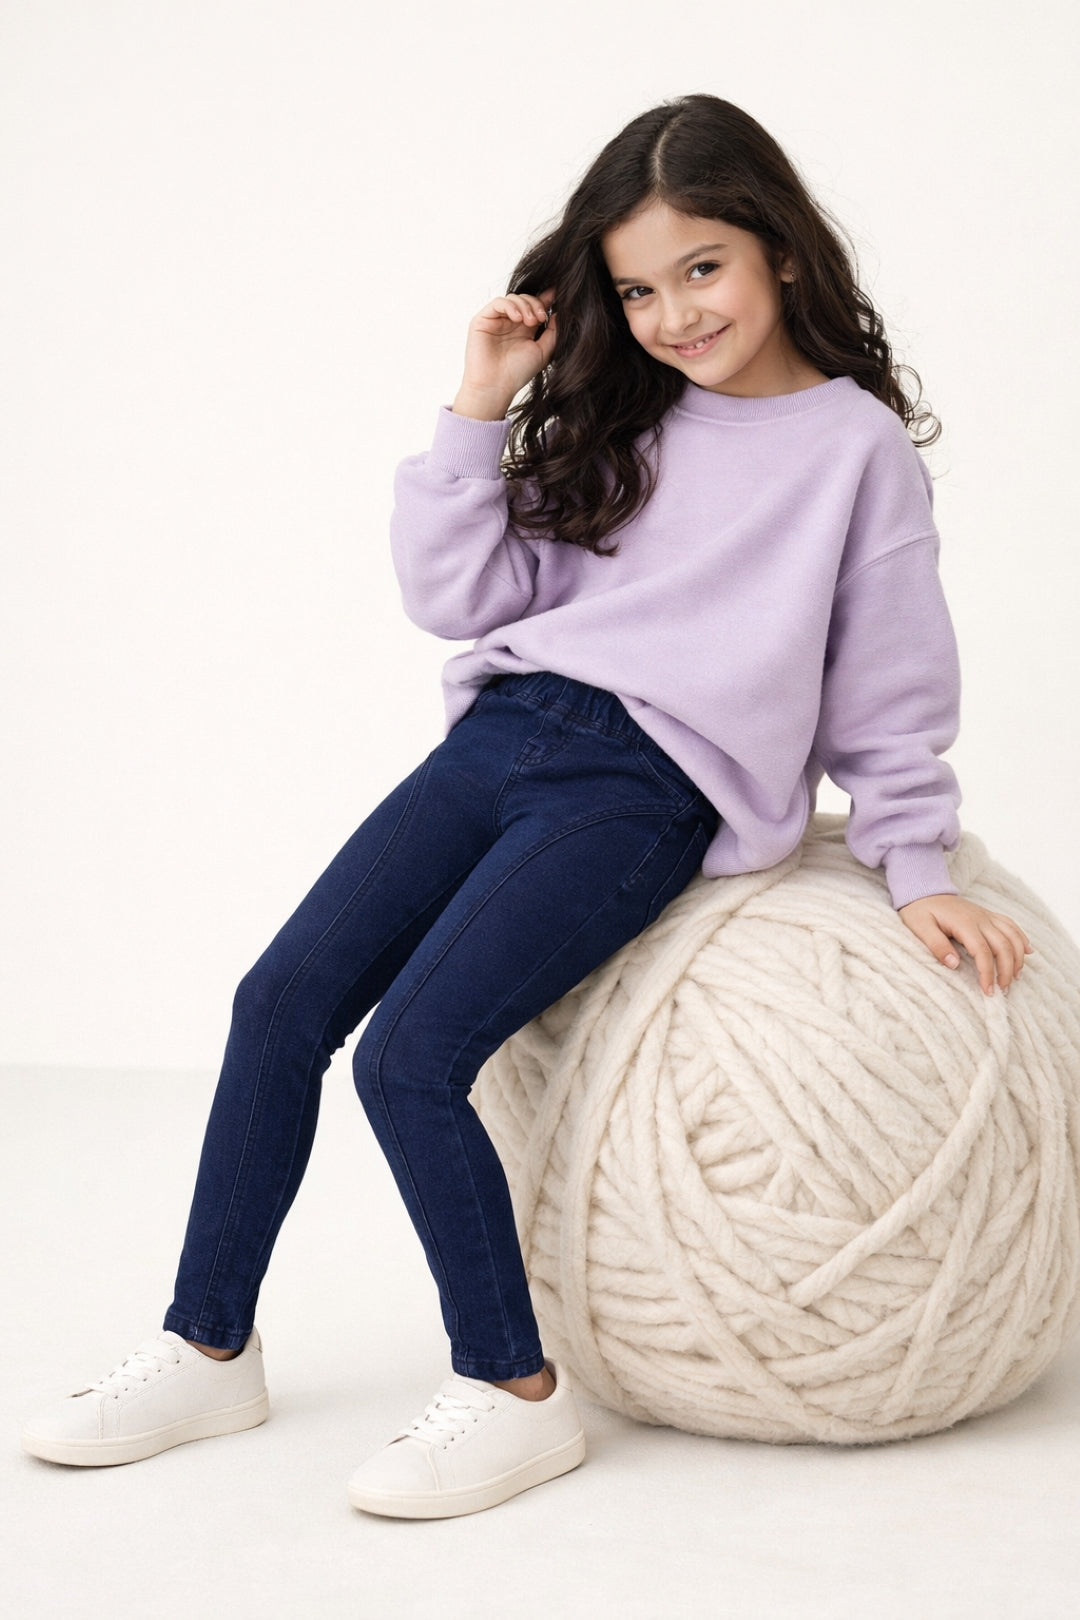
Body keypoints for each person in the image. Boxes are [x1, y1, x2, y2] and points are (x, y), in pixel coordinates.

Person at [21, 92, 1033, 1518]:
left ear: (782, 251)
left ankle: (513, 1393)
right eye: (640, 288)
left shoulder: (853, 448)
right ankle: (208, 1347)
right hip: (504, 734)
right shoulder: (628, 411)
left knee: (412, 1056)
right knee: (278, 1004)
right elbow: (459, 597)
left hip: (650, 783)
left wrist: (916, 859)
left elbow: (890, 678)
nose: (675, 314)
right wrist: (480, 403)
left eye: (703, 269)